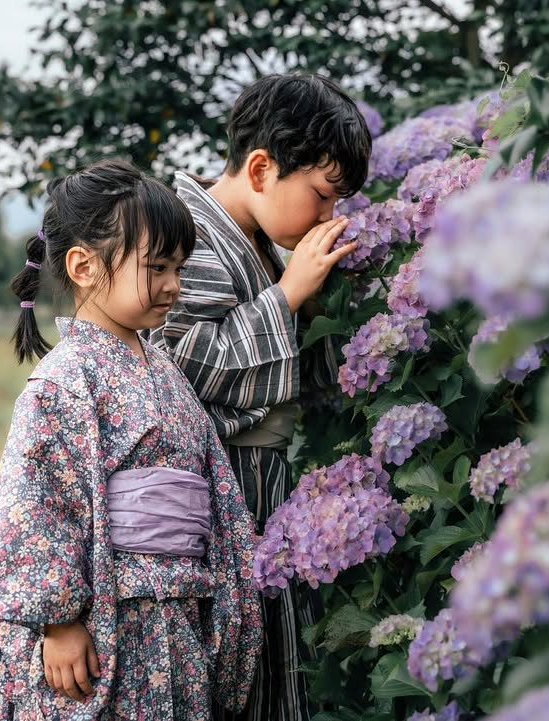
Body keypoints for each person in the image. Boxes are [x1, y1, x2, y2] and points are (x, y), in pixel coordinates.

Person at [0, 158, 263, 721]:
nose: (174, 284)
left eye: (179, 267)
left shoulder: (162, 366)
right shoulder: (65, 379)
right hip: (109, 622)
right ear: (84, 266)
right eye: (157, 267)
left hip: (179, 611)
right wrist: (58, 621)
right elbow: (36, 501)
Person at [147, 74, 372, 721]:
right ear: (260, 168)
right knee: (238, 665)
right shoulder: (187, 237)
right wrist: (288, 295)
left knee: (277, 660)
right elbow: (178, 369)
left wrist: (318, 301)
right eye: (321, 195)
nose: (327, 216)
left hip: (264, 482)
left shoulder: (262, 243)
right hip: (219, 486)